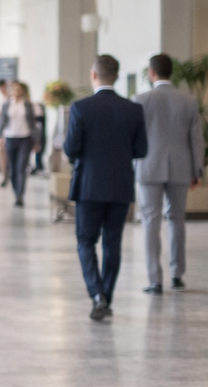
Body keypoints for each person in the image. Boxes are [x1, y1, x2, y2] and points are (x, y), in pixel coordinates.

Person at [63, 55, 148, 321]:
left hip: (89, 186)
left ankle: (97, 295)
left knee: (86, 241)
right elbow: (141, 149)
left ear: (93, 75)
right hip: (121, 184)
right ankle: (106, 297)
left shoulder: (81, 108)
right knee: (113, 244)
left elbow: (71, 148)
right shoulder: (133, 109)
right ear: (117, 76)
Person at [134, 53, 203, 294]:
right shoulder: (188, 101)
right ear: (170, 72)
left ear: (151, 73)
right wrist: (197, 170)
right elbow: (196, 139)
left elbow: (135, 138)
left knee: (150, 222)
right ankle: (177, 275)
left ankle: (155, 280)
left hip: (148, 167)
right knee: (177, 220)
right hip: (181, 168)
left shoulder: (140, 100)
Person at [0, 82, 42, 207]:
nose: (16, 91)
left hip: (25, 138)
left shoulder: (27, 104)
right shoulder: (7, 104)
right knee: (12, 169)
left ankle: (20, 196)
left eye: (18, 89)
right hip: (10, 138)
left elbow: (33, 124)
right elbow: (2, 121)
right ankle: (15, 191)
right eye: (14, 89)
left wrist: (36, 141)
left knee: (21, 167)